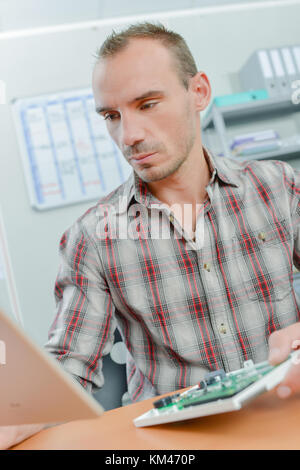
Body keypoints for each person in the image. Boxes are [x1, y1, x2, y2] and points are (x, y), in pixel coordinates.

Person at [2, 21, 300, 448]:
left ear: (198, 92)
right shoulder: (94, 236)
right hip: (175, 445)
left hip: (285, 420)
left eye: (148, 103)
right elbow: (69, 366)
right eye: (111, 116)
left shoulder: (278, 187)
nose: (129, 135)